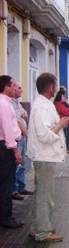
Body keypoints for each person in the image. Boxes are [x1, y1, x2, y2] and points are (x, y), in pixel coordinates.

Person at [27, 73, 69, 242]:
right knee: (46, 196)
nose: (56, 89)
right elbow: (44, 136)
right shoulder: (43, 107)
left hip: (44, 156)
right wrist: (60, 125)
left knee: (42, 194)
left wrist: (60, 124)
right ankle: (43, 232)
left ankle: (40, 226)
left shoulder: (43, 104)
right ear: (50, 87)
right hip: (45, 156)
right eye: (55, 85)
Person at [0, 75, 23, 229]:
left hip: (4, 146)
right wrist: (15, 150)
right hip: (6, 148)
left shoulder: (6, 103)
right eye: (13, 84)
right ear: (6, 87)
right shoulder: (4, 104)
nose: (15, 87)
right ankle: (6, 218)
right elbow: (7, 129)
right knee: (6, 184)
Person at [11, 81, 33, 200]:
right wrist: (27, 133)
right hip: (17, 136)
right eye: (19, 88)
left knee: (23, 162)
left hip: (22, 136)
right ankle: (14, 190)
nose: (21, 90)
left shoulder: (17, 103)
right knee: (17, 164)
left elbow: (24, 114)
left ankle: (21, 186)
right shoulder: (9, 103)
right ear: (13, 89)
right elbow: (18, 120)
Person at [54, 88, 69, 152]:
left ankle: (68, 146)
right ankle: (66, 148)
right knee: (66, 135)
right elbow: (66, 112)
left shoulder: (61, 104)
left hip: (66, 121)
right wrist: (67, 109)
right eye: (63, 97)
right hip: (63, 122)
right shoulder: (59, 104)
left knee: (68, 135)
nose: (64, 98)